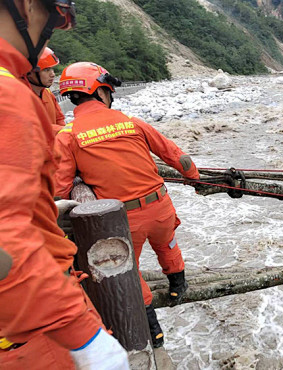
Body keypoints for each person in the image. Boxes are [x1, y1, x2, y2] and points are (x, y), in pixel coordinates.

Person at [0, 0, 128, 369]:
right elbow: (6, 252)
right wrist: (83, 336)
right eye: (54, 19)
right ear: (26, 6)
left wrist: (42, 206)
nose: (52, 29)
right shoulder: (9, 95)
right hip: (30, 332)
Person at [54, 62, 200, 348]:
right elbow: (177, 157)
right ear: (102, 91)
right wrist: (195, 178)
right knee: (167, 243)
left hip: (124, 218)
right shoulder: (132, 123)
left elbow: (61, 187)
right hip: (161, 207)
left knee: (128, 268)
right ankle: (178, 285)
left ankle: (152, 328)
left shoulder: (68, 136)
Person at [26, 47, 65, 136]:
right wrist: (65, 130)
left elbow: (59, 119)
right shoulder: (20, 97)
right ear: (29, 72)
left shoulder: (48, 94)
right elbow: (34, 127)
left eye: (52, 69)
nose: (52, 74)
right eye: (46, 70)